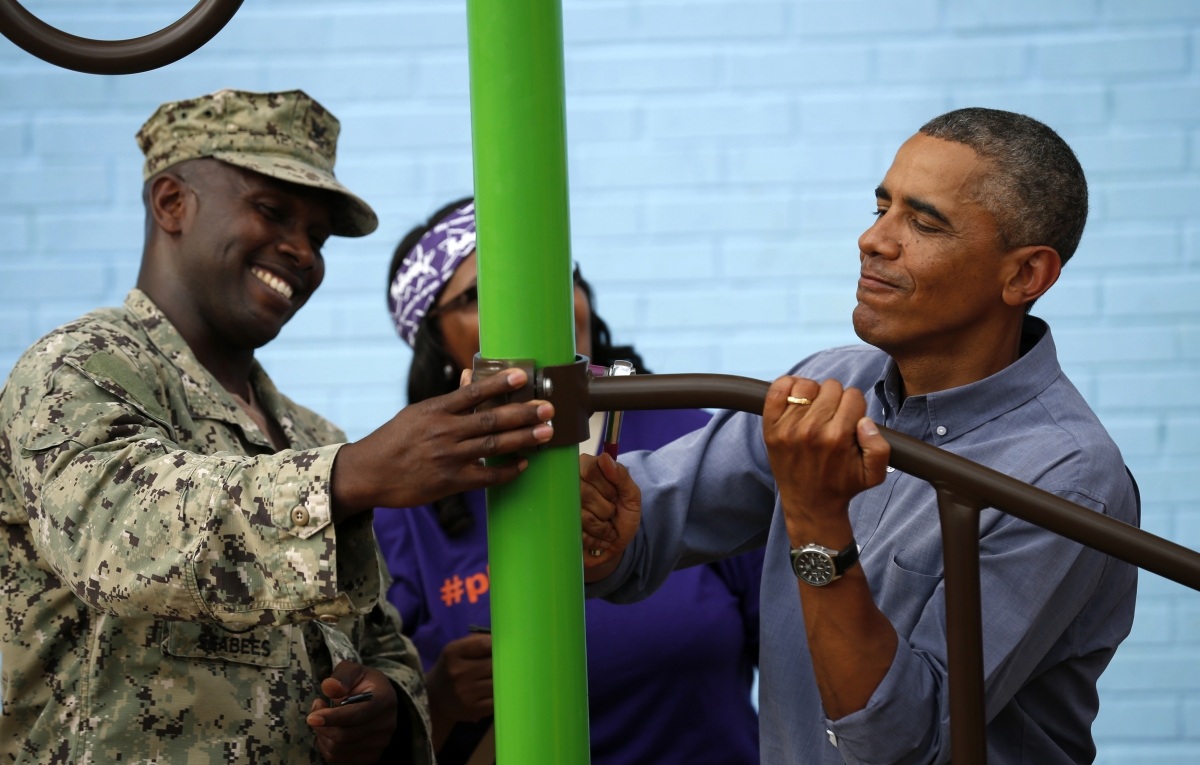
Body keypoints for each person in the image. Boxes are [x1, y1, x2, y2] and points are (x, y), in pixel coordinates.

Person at [0, 90, 557, 764]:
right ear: (172, 203)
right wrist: (349, 475)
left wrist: (385, 703)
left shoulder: (311, 433)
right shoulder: (80, 365)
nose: (301, 251)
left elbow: (381, 639)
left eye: (317, 237)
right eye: (272, 212)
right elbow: (115, 533)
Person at [579, 108, 1139, 765]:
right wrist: (605, 536)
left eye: (923, 221)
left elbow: (900, 743)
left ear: (1024, 276)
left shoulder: (1066, 475)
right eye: (881, 207)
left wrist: (818, 522)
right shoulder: (828, 382)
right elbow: (641, 530)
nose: (873, 239)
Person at [375, 198, 764, 765]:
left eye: (561, 274)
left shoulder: (690, 439)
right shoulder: (406, 511)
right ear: (435, 345)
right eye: (481, 294)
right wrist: (441, 700)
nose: (543, 299)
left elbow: (796, 661)